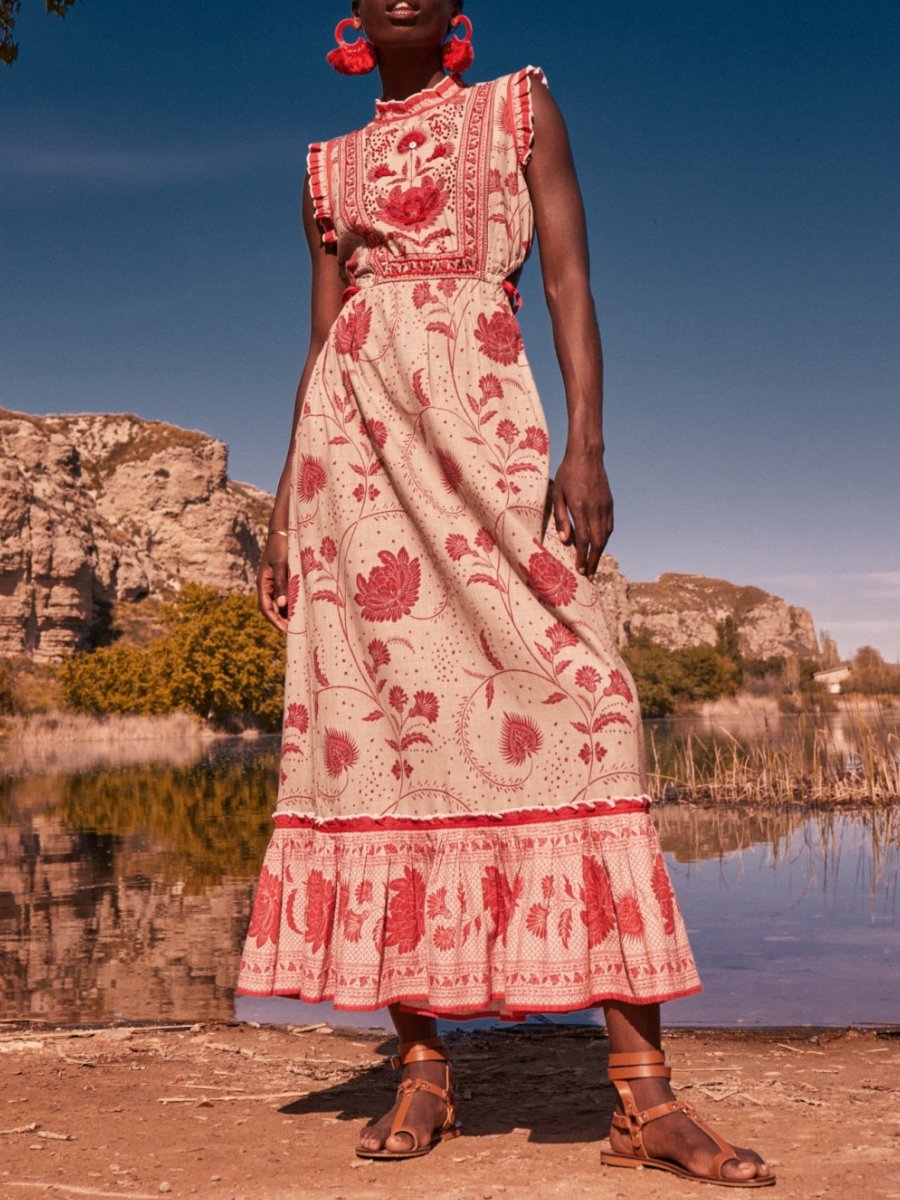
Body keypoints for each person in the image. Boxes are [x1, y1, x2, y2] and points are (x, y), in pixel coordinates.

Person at [235, 0, 773, 1186]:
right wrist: (283, 511)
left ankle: (646, 1099)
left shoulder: (519, 108)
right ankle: (424, 1073)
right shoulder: (325, 171)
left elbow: (572, 277)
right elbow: (323, 341)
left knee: (590, 708)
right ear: (356, 17)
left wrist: (588, 444)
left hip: (491, 434)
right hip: (355, 466)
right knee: (388, 743)